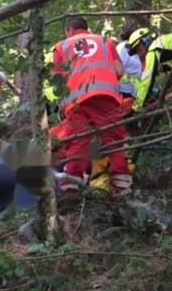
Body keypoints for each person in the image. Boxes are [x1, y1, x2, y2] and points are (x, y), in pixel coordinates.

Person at [51, 16, 132, 195]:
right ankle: (123, 187)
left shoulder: (62, 46)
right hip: (106, 96)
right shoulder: (106, 41)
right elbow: (119, 71)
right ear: (86, 29)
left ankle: (71, 189)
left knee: (78, 143)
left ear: (68, 31)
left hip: (77, 100)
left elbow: (57, 81)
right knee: (115, 141)